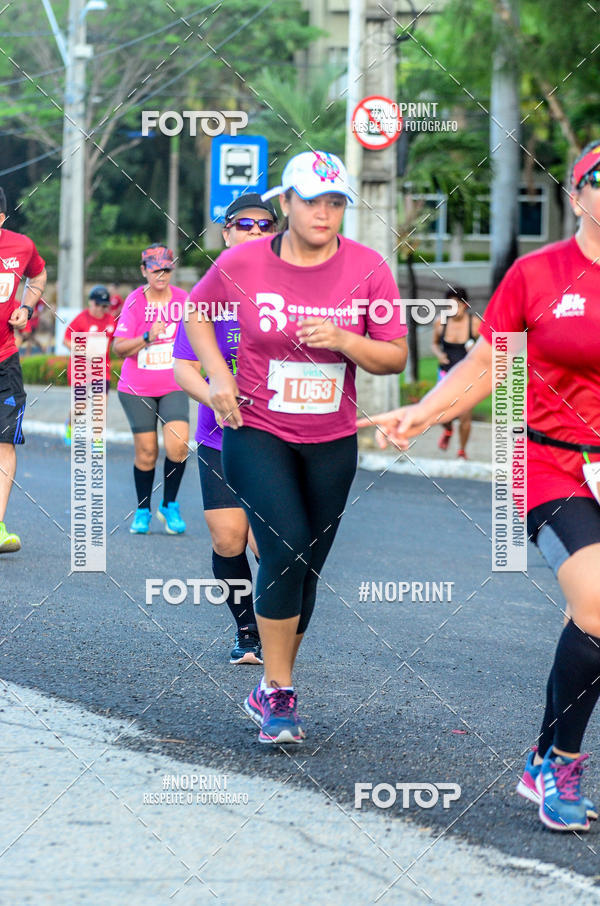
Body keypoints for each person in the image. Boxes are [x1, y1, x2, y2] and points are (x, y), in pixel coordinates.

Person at [358, 139, 600, 831]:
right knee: (599, 603)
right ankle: (561, 765)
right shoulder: (537, 274)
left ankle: (541, 753)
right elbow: (489, 364)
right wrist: (424, 411)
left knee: (586, 617)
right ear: (576, 196)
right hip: (552, 464)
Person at [184, 151, 407, 744]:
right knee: (284, 546)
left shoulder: (368, 268)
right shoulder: (244, 261)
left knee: (306, 565)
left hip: (331, 440)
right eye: (311, 201)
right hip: (256, 431)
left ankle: (271, 683)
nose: (324, 213)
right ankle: (281, 691)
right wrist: (218, 376)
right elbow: (196, 314)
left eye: (335, 203)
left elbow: (394, 356)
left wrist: (344, 339)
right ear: (286, 203)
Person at [173, 193, 278, 666]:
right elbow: (184, 367)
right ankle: (247, 631)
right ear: (226, 233)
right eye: (244, 224)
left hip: (277, 437)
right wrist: (215, 397)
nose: (255, 231)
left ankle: (278, 630)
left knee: (272, 544)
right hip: (220, 436)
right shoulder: (209, 292)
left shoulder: (291, 290)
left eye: (265, 225)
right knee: (228, 539)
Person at [112, 244, 189, 534]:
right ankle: (143, 509)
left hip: (173, 385)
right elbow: (119, 348)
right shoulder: (134, 302)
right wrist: (147, 336)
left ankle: (169, 505)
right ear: (144, 271)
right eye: (156, 270)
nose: (161, 275)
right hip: (137, 388)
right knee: (146, 452)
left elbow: (197, 337)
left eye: (166, 269)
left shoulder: (183, 300)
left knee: (178, 445)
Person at [0, 186, 47, 553]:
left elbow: (39, 275)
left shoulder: (21, 246)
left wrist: (27, 308)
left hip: (5, 361)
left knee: (4, 442)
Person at [63, 285, 117, 446]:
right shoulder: (81, 319)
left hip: (101, 370)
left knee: (100, 405)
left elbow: (118, 341)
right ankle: (70, 424)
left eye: (104, 306)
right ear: (90, 302)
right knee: (80, 407)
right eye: (97, 304)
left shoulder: (111, 321)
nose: (101, 309)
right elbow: (66, 340)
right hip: (80, 370)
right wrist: (85, 351)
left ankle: (97, 441)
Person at [431, 287, 480, 458]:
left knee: (465, 416)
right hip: (446, 373)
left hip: (467, 375)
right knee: (441, 414)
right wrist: (439, 355)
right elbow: (434, 344)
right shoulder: (440, 322)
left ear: (465, 305)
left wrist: (475, 350)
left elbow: (487, 347)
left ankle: (462, 451)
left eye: (457, 305)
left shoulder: (475, 323)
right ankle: (448, 429)